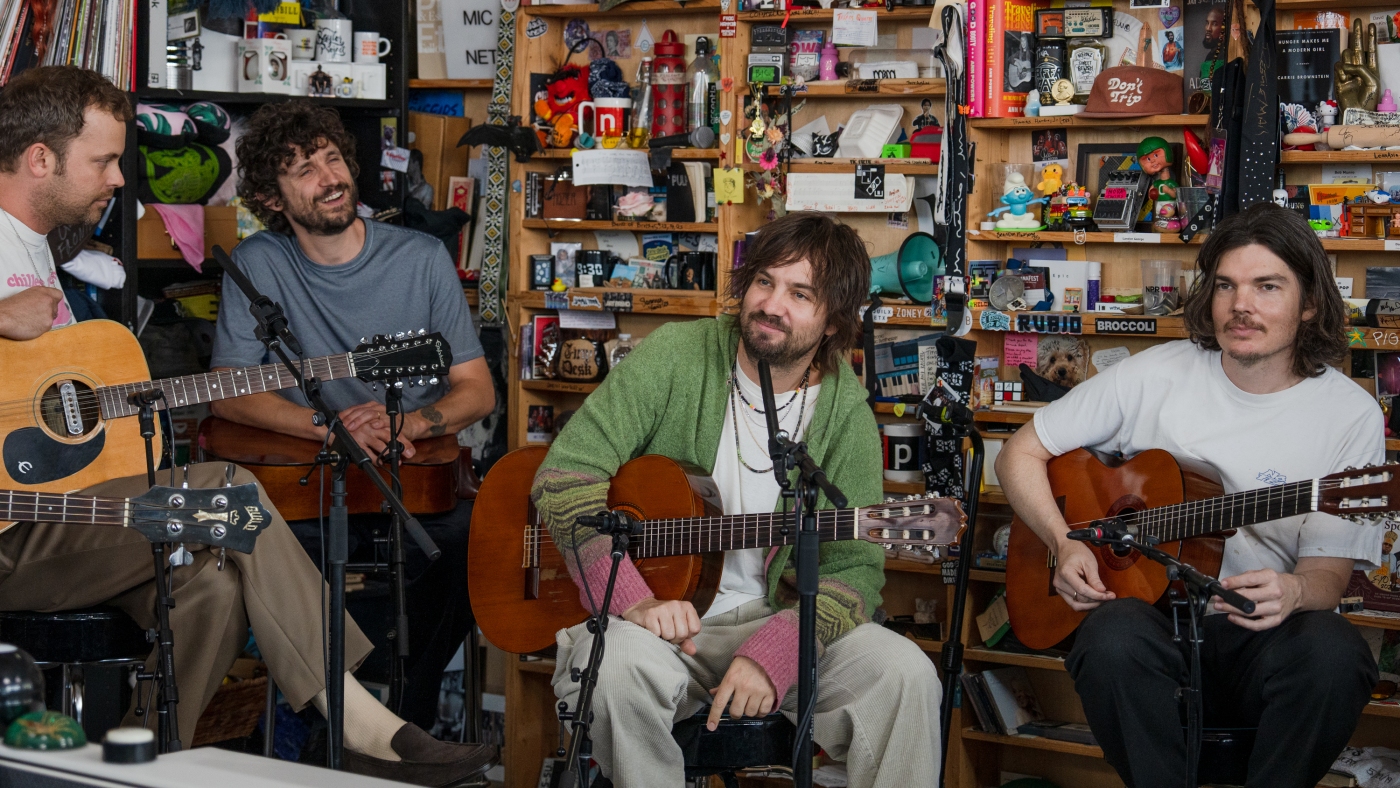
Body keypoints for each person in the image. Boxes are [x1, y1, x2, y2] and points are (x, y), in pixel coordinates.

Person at [0, 66, 495, 786]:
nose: (118, 180)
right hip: (14, 534)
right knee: (227, 491)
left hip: (63, 516)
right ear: (41, 159)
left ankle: (130, 764)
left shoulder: (38, 245)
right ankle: (361, 724)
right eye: (105, 161)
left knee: (216, 586)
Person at [531, 211, 941, 787]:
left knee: (908, 675)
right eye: (765, 281)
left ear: (832, 322)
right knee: (618, 667)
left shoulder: (844, 411)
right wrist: (632, 598)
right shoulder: (676, 355)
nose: (772, 304)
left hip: (775, 621)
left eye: (801, 294)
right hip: (652, 628)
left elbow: (855, 573)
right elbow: (564, 477)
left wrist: (776, 648)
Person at [996, 203, 1381, 788]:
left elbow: (1326, 577)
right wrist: (1063, 541)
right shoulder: (1156, 373)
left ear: (1309, 304)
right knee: (1111, 637)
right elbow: (1018, 452)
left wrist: (1297, 590)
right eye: (1225, 285)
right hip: (1153, 618)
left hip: (1257, 631)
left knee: (1335, 653)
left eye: (1266, 287)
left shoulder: (1347, 414)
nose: (1240, 305)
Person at [208, 101, 495, 736]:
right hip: (312, 479)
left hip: (410, 474)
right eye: (304, 169)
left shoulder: (421, 257)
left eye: (333, 158)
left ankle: (403, 726)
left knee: (475, 550)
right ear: (269, 196)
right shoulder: (258, 265)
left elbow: (477, 391)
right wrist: (330, 429)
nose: (329, 177)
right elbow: (230, 393)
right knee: (260, 559)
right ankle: (326, 725)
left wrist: (415, 424)